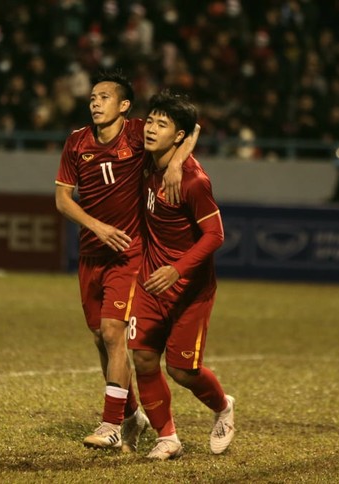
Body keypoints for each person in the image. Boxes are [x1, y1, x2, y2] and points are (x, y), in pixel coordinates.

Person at [55, 71, 198, 452]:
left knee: (114, 332)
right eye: (92, 98)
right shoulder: (76, 143)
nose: (95, 103)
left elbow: (192, 127)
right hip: (91, 254)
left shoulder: (137, 133)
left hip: (129, 253)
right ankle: (132, 414)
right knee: (100, 338)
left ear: (123, 106)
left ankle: (110, 423)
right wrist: (96, 226)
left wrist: (176, 162)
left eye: (104, 97)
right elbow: (62, 200)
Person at [128, 90, 235, 460]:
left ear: (179, 135)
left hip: (190, 287)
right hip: (150, 280)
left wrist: (177, 269)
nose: (151, 129)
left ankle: (223, 407)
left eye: (162, 124)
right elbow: (196, 126)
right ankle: (167, 437)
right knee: (142, 357)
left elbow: (216, 235)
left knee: (181, 370)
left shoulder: (193, 181)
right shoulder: (145, 159)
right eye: (151, 120)